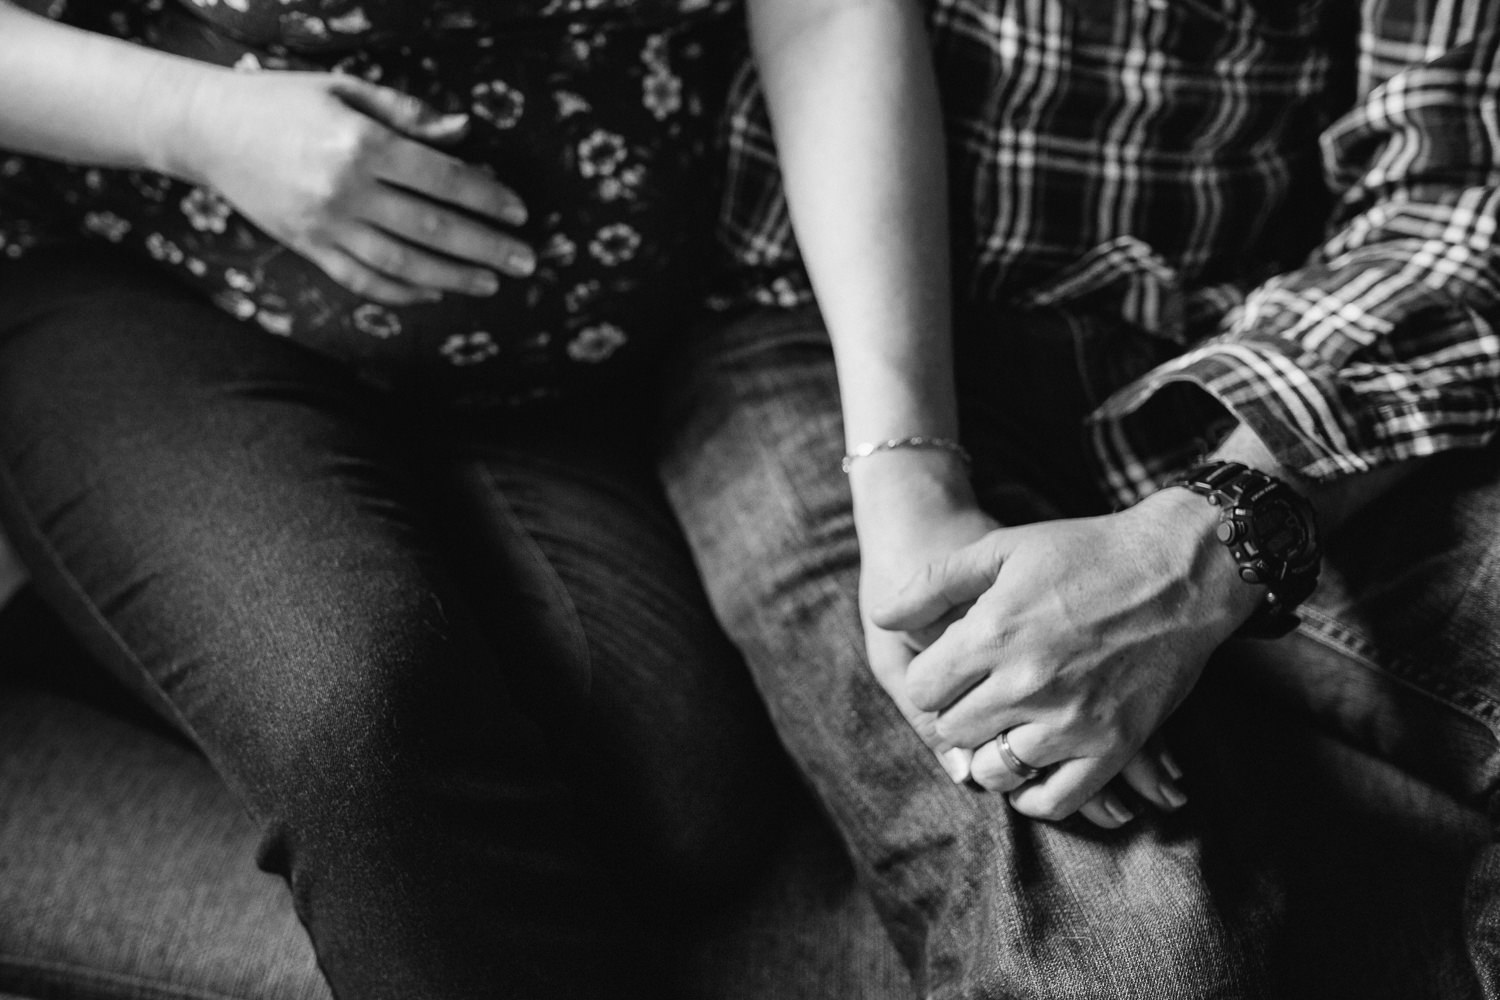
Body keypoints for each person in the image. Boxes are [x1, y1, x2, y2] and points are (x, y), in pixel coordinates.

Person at [0, 0, 962, 996]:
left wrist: (908, 461)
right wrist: (195, 121)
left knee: (683, 805)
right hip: (158, 286)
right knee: (366, 717)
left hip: (534, 387)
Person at [658, 0, 1500, 996]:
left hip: (1242, 344)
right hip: (830, 340)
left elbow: (1455, 188)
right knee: (1140, 955)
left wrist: (1203, 540)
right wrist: (906, 470)